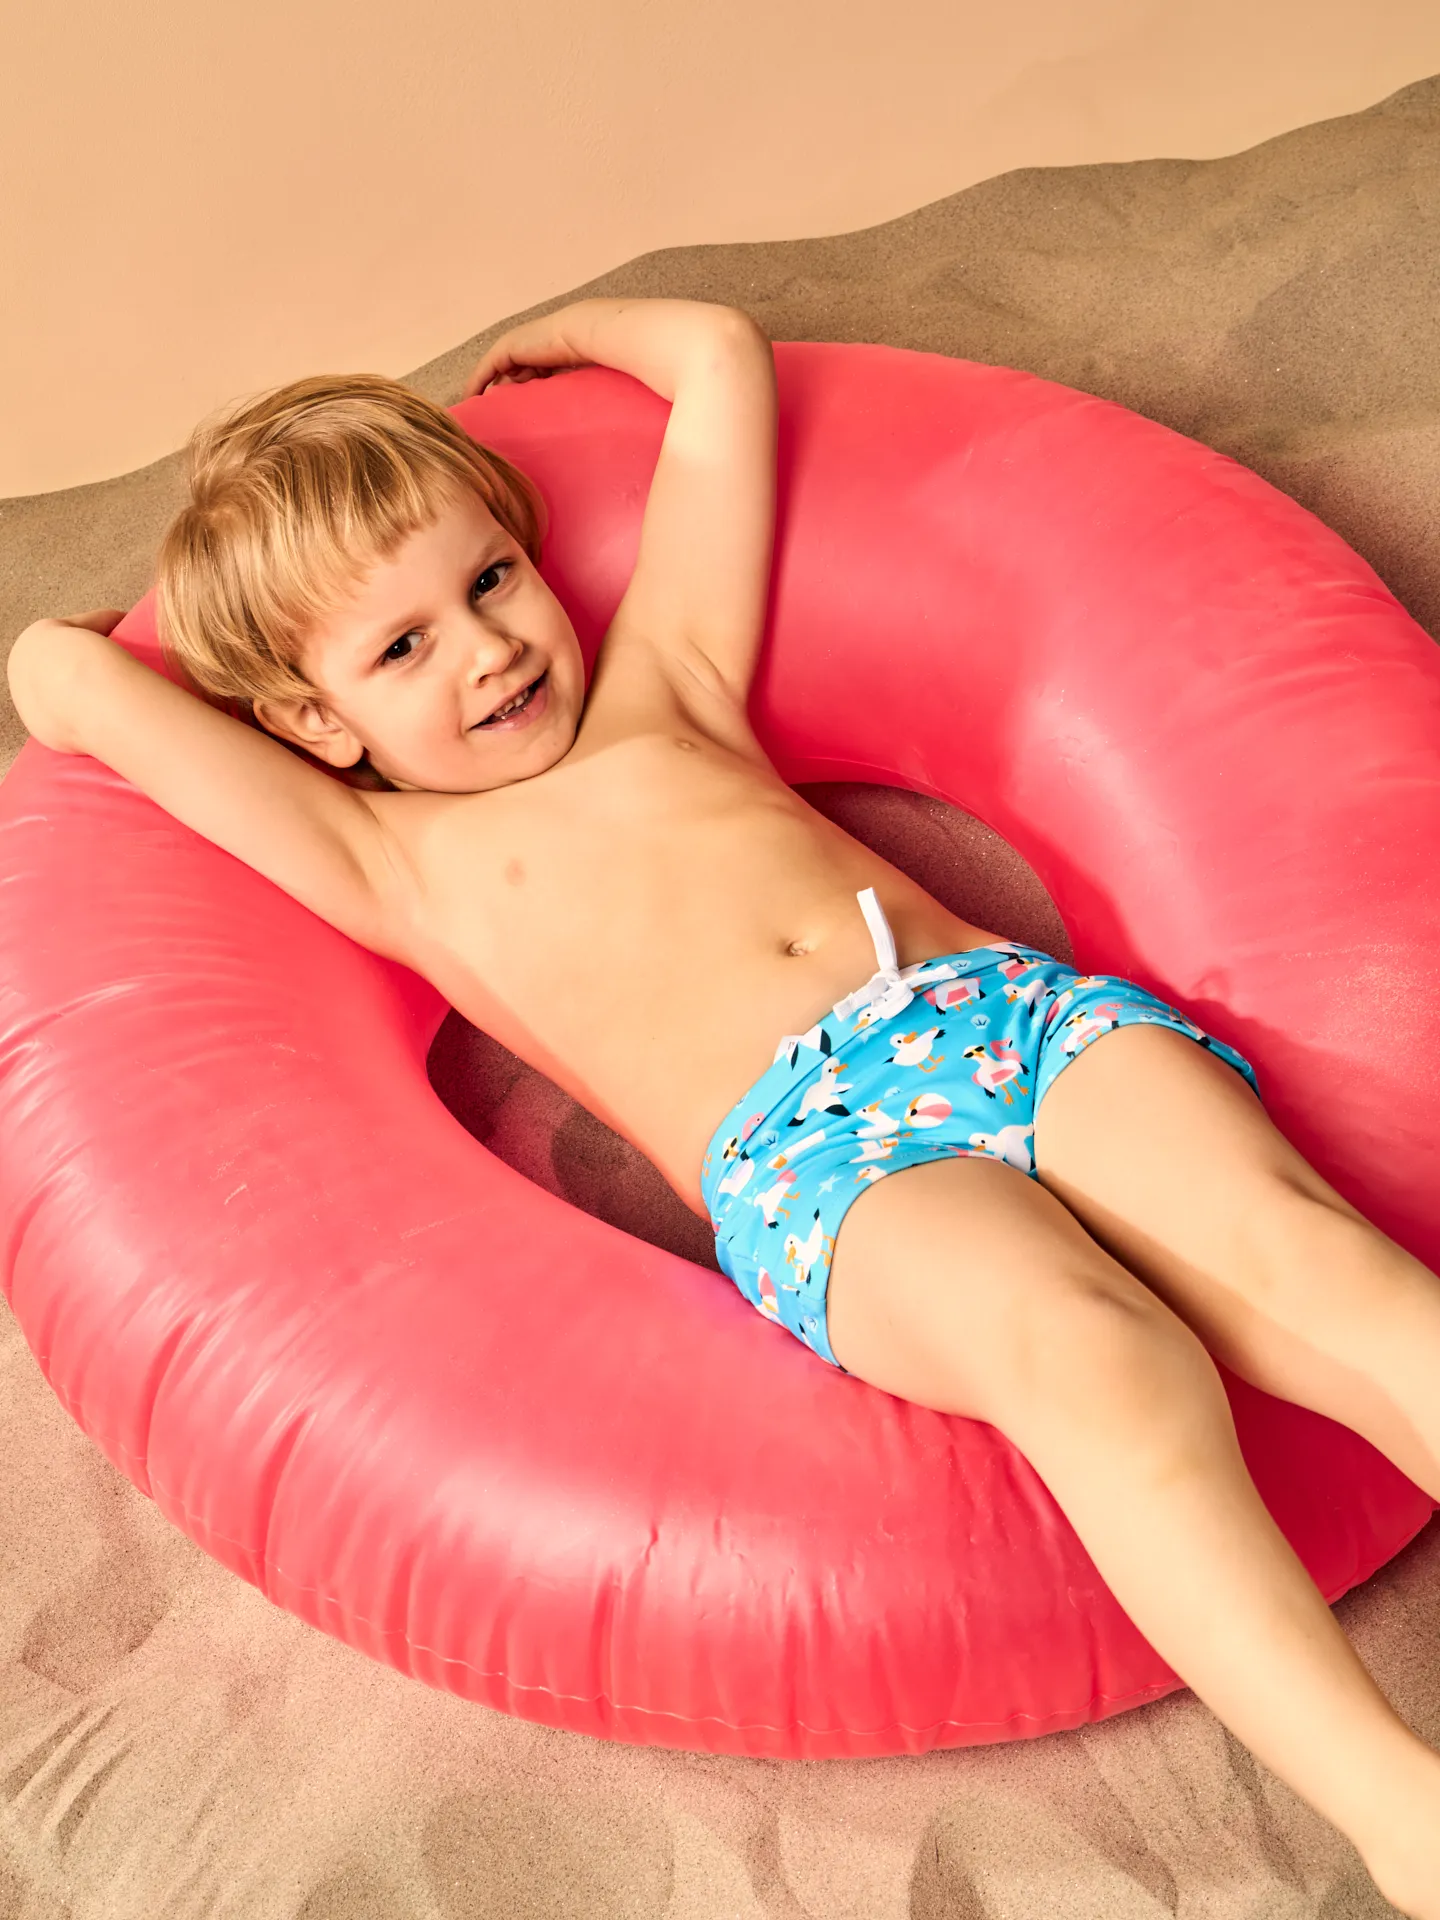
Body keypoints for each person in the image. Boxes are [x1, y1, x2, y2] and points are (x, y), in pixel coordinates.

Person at [8, 297, 1440, 1913]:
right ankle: (1401, 1811)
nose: (485, 650)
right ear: (313, 724)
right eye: (401, 649)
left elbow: (716, 364)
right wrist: (187, 617)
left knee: (1307, 1252)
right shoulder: (387, 864)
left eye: (488, 580)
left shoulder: (664, 689)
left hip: (997, 1017)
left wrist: (566, 331)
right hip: (823, 1163)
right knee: (1099, 1362)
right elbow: (54, 674)